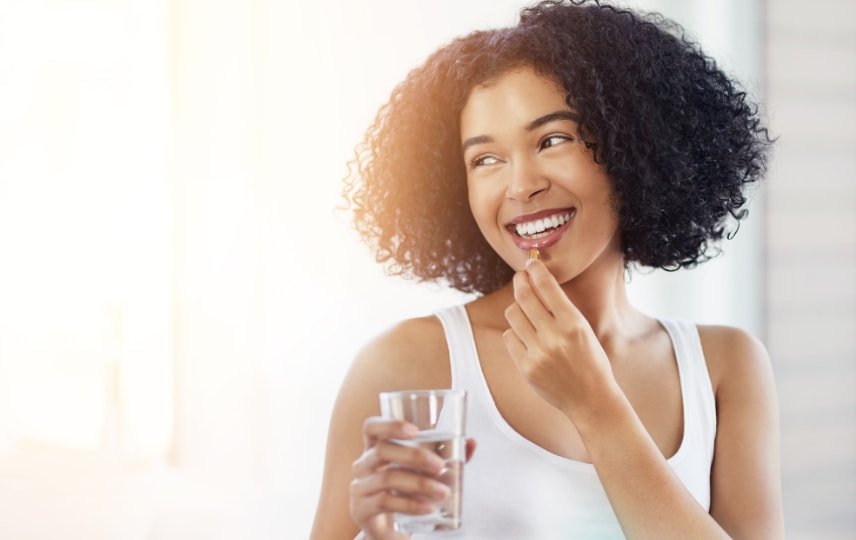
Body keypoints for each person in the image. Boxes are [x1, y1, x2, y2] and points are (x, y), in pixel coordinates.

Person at [310, 0, 783, 538]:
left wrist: (594, 403)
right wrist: (379, 533)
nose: (519, 186)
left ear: (634, 147)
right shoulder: (404, 363)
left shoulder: (724, 367)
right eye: (485, 159)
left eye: (553, 140)